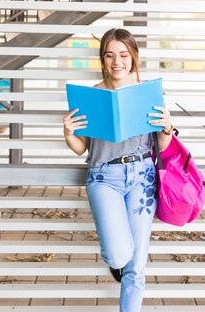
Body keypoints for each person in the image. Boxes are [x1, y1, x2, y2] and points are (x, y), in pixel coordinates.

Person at [63, 28, 173, 312]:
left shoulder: (149, 93)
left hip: (142, 178)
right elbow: (81, 148)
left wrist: (167, 128)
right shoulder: (92, 96)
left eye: (123, 55)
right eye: (109, 55)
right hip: (103, 178)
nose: (117, 62)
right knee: (119, 254)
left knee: (137, 266)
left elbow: (161, 143)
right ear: (102, 59)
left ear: (133, 56)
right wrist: (68, 133)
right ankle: (118, 264)